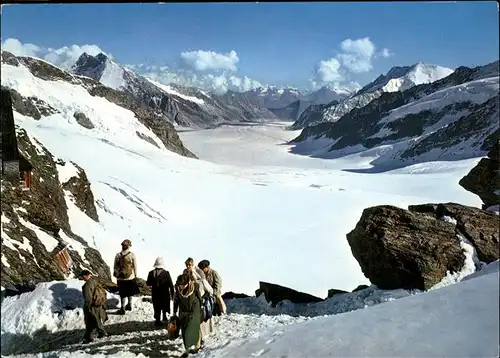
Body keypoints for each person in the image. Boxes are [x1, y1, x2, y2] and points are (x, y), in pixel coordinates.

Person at [184, 258, 214, 345]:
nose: (188, 267)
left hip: (201, 300)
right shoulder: (185, 272)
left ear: (193, 264)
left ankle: (201, 339)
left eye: (190, 265)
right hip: (190, 299)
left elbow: (207, 287)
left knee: (201, 322)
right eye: (187, 265)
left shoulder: (199, 272)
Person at [173, 273, 203, 358]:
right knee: (184, 329)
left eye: (182, 285)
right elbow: (176, 301)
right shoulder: (177, 288)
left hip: (194, 308)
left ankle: (197, 345)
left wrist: (201, 307)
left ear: (187, 283)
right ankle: (187, 350)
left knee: (193, 326)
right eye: (179, 285)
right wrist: (174, 312)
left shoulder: (195, 286)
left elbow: (199, 298)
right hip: (183, 309)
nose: (180, 287)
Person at [79, 270, 108, 343]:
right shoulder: (95, 280)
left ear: (85, 276)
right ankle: (99, 333)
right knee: (97, 319)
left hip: (92, 305)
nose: (82, 278)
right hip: (99, 303)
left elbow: (88, 298)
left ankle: (89, 337)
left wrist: (87, 307)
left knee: (90, 321)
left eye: (82, 276)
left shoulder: (87, 285)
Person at [113, 239, 140, 314]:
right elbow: (135, 266)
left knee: (122, 293)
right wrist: (135, 275)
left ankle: (122, 308)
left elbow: (115, 266)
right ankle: (129, 305)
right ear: (129, 246)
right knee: (130, 292)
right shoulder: (132, 255)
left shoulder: (118, 255)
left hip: (120, 278)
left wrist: (116, 274)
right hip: (130, 277)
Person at [146, 257, 175, 326]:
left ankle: (157, 320)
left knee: (157, 307)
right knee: (164, 305)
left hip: (155, 293)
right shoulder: (166, 273)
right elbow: (170, 284)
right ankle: (164, 316)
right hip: (164, 294)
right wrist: (172, 294)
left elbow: (148, 283)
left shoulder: (151, 273)